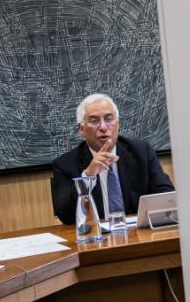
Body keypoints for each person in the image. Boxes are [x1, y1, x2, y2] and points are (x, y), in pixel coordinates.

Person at [51, 93, 174, 225]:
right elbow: (66, 216)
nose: (103, 127)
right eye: (94, 121)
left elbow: (167, 196)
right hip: (96, 235)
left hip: (137, 232)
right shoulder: (65, 164)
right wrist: (88, 176)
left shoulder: (142, 152)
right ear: (82, 129)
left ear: (118, 123)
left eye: (109, 119)